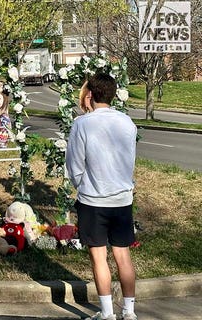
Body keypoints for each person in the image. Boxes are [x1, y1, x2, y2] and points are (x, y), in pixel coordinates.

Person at [66, 73, 138, 320]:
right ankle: (129, 311)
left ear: (91, 95)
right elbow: (129, 160)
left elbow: (74, 165)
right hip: (122, 199)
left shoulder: (82, 124)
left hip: (93, 200)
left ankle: (107, 313)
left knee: (99, 256)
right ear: (113, 94)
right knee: (123, 255)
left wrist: (82, 185)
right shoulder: (127, 122)